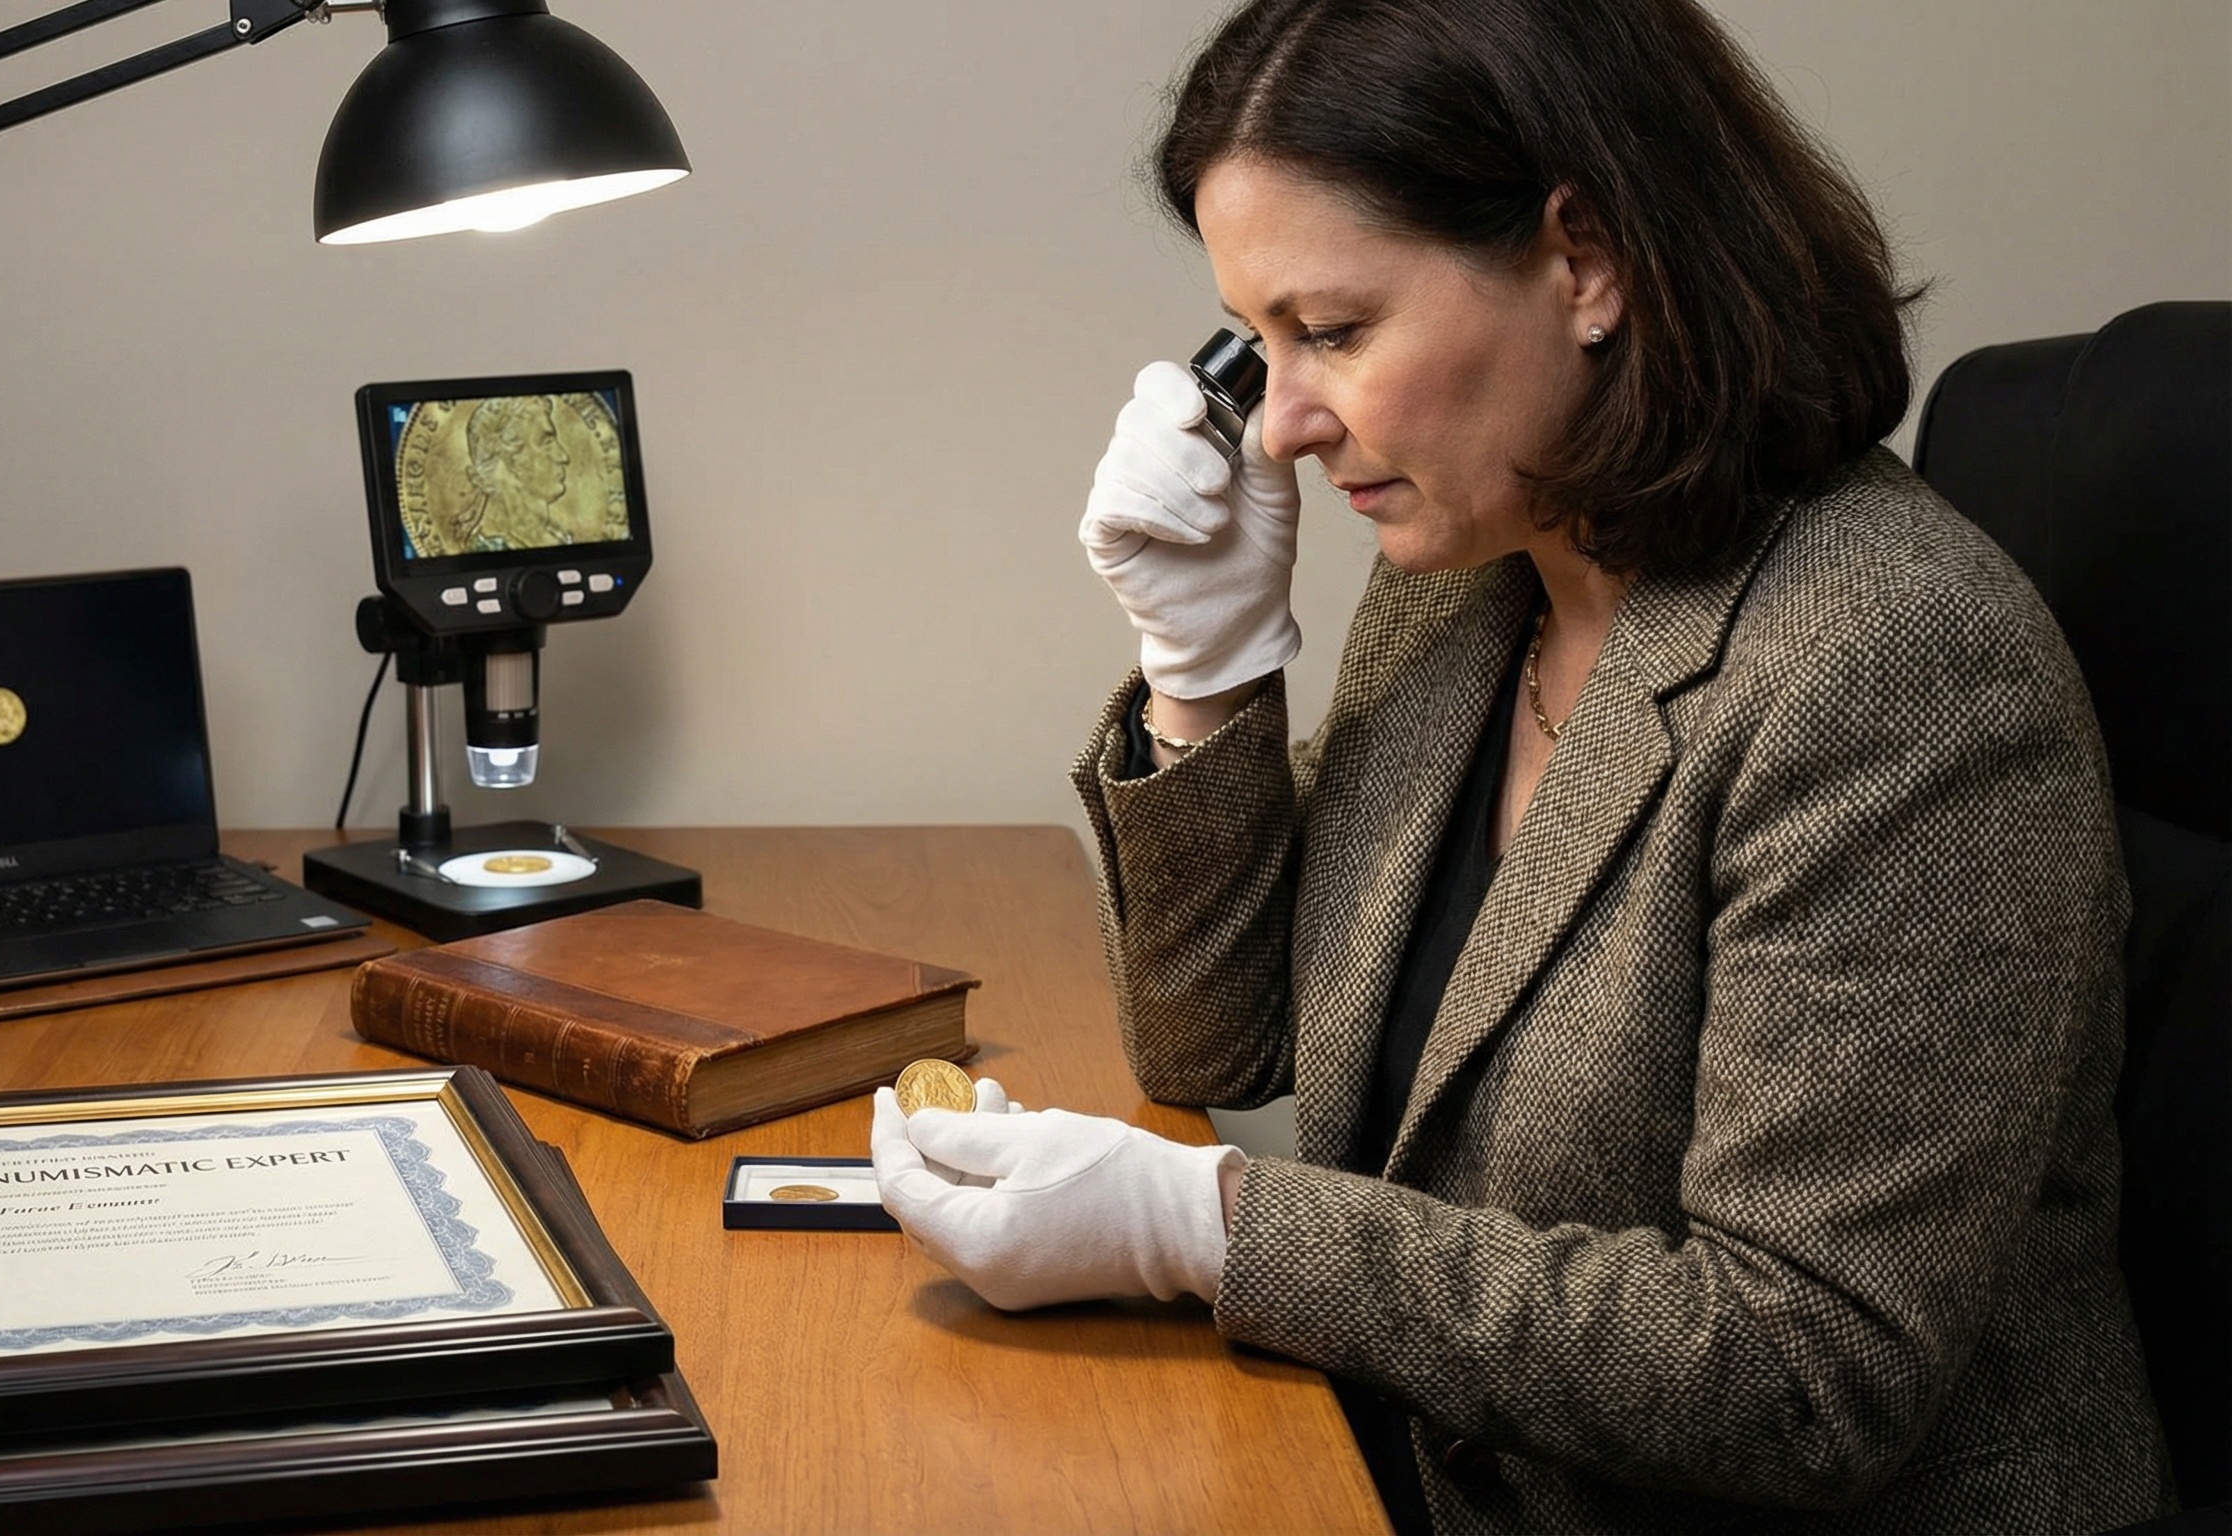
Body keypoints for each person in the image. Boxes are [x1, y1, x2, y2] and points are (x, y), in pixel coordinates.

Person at [867, 1, 2173, 1530]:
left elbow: (1801, 1371)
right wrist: (1204, 680)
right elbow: (1212, 1053)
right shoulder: (1471, 582)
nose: (1279, 425)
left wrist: (1212, 1229)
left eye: (1334, 332)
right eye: (1259, 343)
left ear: (1586, 262)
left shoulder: (1894, 664)